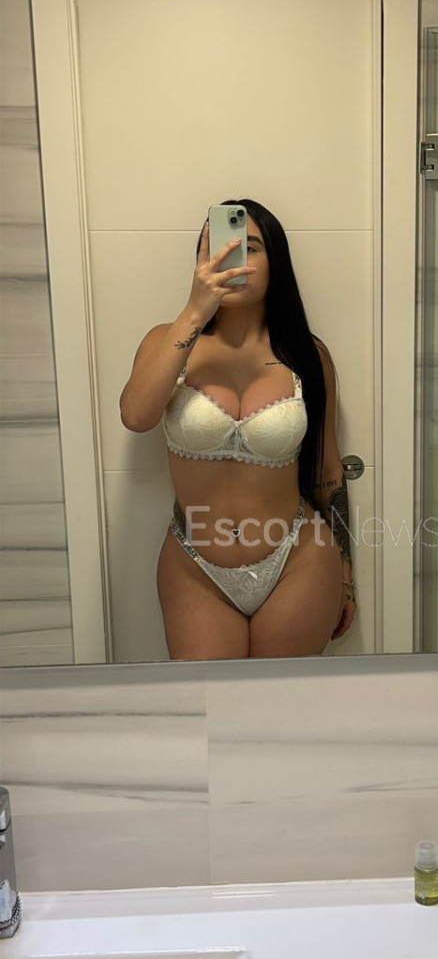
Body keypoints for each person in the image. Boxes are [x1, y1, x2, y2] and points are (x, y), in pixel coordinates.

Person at [120, 198, 356, 659]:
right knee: (209, 699)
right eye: (223, 248)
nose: (236, 259)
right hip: (195, 568)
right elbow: (136, 415)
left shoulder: (308, 355)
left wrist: (346, 574)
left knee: (283, 700)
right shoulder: (166, 341)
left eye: (252, 247)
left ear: (276, 263)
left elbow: (328, 471)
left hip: (299, 559)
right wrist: (195, 309)